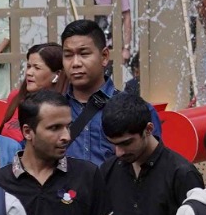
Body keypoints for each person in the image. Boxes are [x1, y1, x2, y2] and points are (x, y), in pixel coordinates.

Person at [59, 20, 161, 165]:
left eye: (84, 54)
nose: (75, 63)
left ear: (105, 56)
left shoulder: (139, 111)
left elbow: (154, 168)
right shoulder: (52, 114)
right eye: (68, 55)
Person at [0, 43, 64, 142]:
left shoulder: (63, 107)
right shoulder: (16, 96)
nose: (29, 72)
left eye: (37, 68)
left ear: (57, 74)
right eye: (29, 66)